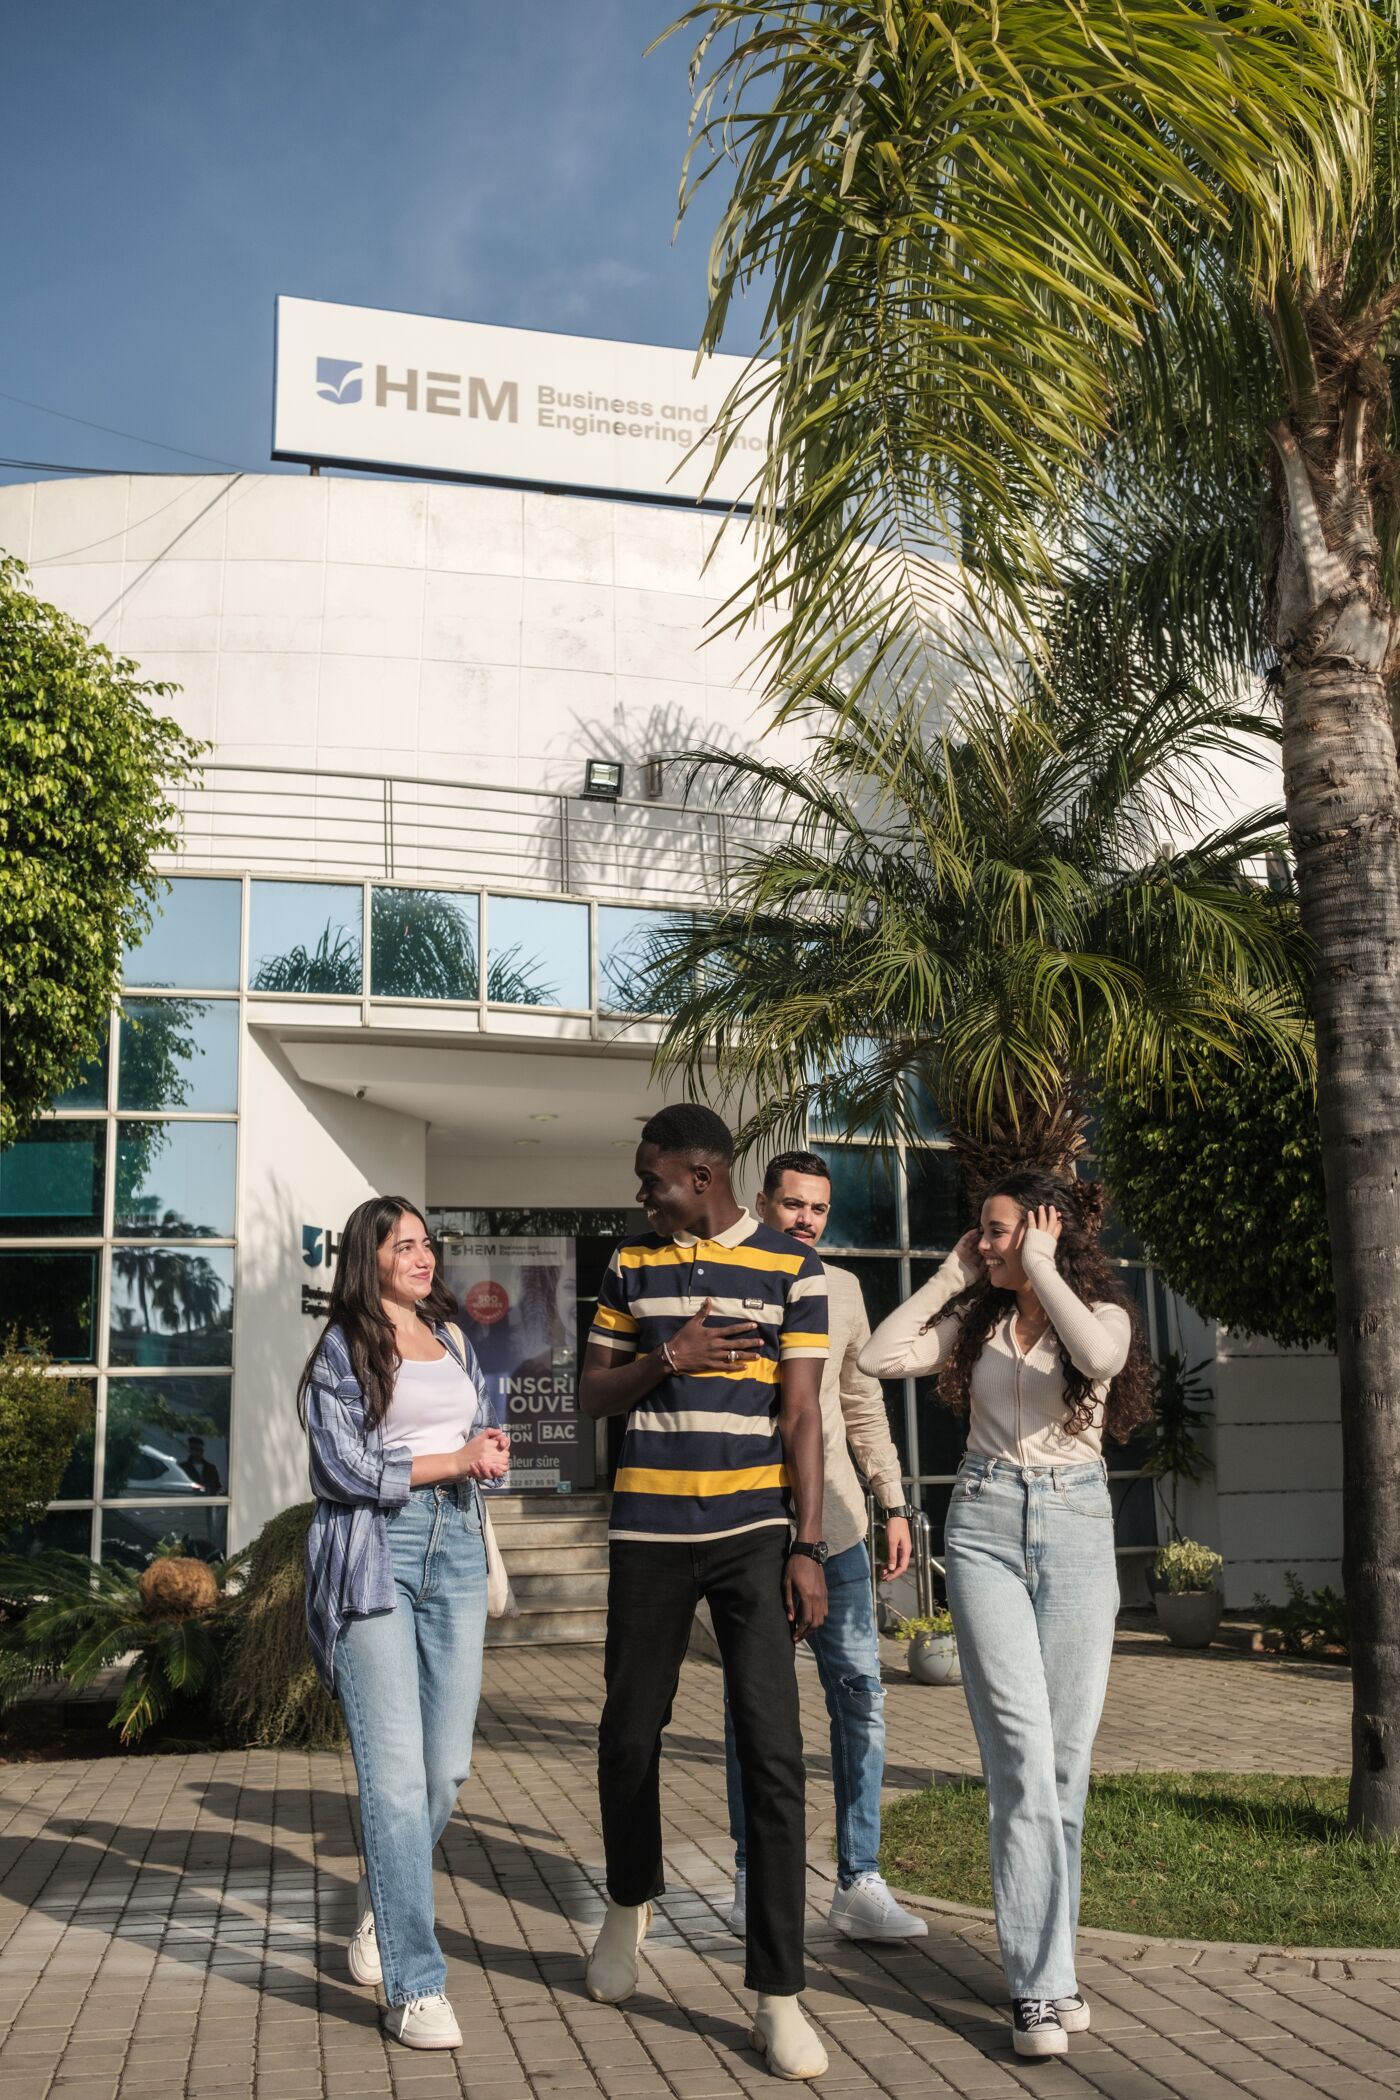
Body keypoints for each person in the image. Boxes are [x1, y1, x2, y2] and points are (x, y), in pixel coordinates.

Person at [859, 1170, 1150, 2060]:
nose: (984, 1243)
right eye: (980, 1232)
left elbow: (1099, 1364)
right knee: (1021, 1756)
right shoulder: (975, 1320)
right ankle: (1037, 1988)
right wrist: (952, 1275)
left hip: (1076, 1527)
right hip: (983, 1525)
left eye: (996, 1232)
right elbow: (875, 1356)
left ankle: (1054, 1965)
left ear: (1042, 1232)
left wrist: (1044, 1266)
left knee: (1064, 1767)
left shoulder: (1102, 1314)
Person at [580, 1104, 832, 2082]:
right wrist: (666, 1360)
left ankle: (777, 1994)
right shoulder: (630, 1265)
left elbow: (802, 1416)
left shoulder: (790, 1268)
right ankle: (625, 1903)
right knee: (626, 1736)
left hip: (750, 1543)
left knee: (773, 1754)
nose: (639, 1194)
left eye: (651, 1180)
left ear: (700, 1174)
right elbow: (593, 1393)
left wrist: (805, 1546)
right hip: (647, 1537)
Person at [299, 1195, 511, 2051]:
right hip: (373, 1553)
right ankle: (415, 1986)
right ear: (369, 1255)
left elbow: (457, 1431)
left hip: (457, 1542)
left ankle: (385, 1897)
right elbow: (339, 1464)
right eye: (404, 1245)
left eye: (428, 1243)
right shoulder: (342, 1346)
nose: (423, 1257)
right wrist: (448, 1459)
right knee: (393, 1780)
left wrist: (479, 1454)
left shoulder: (452, 1334)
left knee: (448, 1768)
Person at [723, 1149, 925, 1943]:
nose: (806, 1219)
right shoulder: (731, 1279)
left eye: (818, 1209)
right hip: (749, 1528)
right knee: (755, 1712)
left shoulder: (842, 1290)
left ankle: (860, 1880)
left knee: (860, 1700)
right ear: (763, 1203)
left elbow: (862, 1404)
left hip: (836, 1530)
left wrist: (894, 1501)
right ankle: (754, 1874)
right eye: (793, 1204)